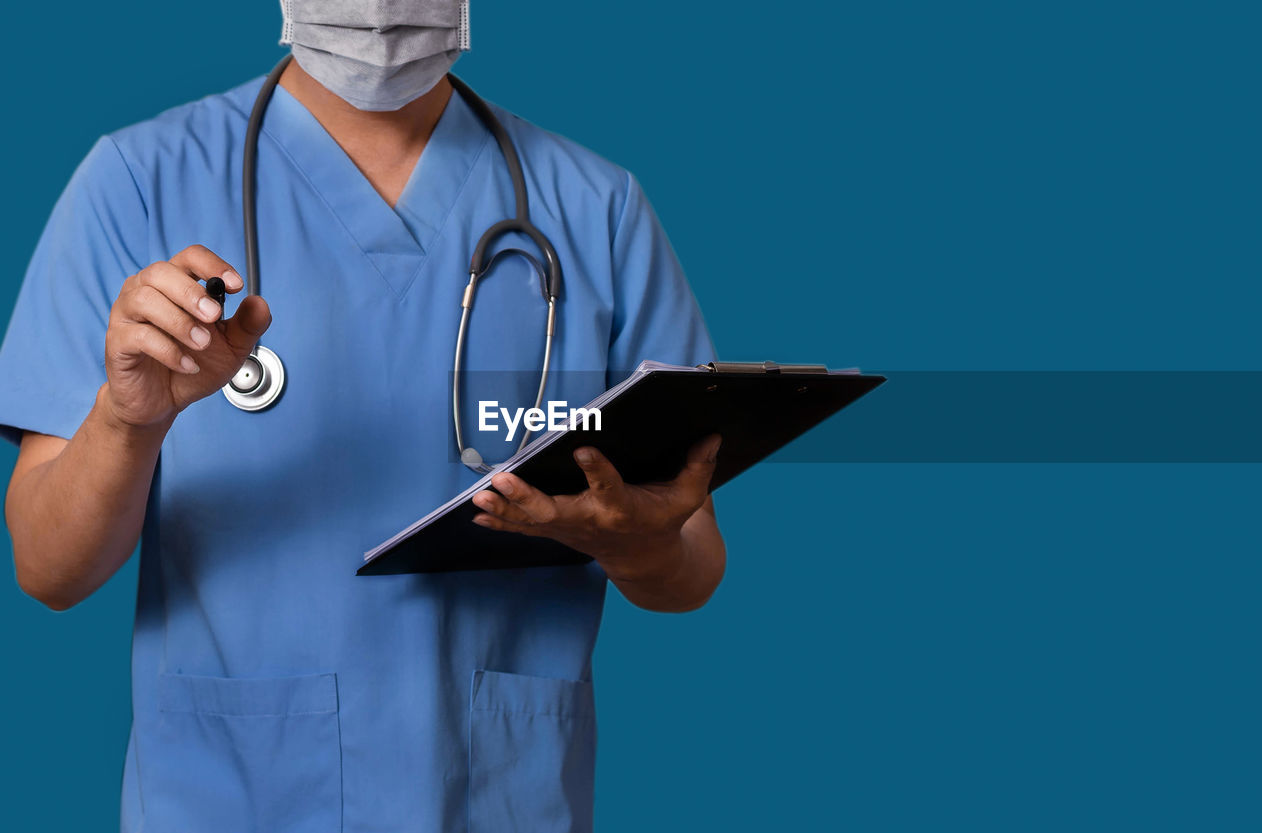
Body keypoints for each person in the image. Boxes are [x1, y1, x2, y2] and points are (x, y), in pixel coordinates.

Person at [0, 3, 725, 831]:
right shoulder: (139, 182)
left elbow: (694, 564)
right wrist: (127, 423)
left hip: (502, 801)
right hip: (229, 801)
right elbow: (47, 568)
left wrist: (637, 539)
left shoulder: (597, 210)